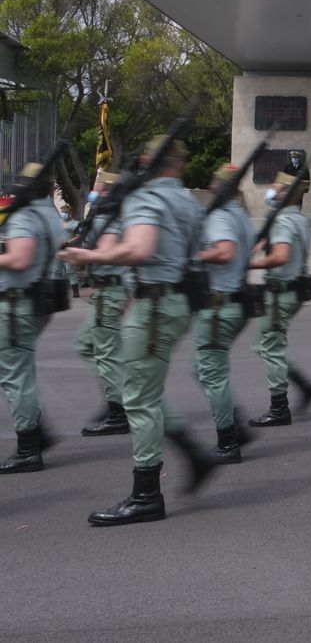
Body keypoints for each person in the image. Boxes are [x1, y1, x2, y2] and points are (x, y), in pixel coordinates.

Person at [62, 140, 218, 524]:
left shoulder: (148, 198)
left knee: (138, 398)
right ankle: (192, 453)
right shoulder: (186, 201)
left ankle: (146, 494)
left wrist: (90, 255)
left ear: (149, 162)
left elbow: (141, 248)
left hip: (155, 306)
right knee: (143, 390)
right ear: (181, 165)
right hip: (174, 302)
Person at [0, 162, 67, 474]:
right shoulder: (49, 213)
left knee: (16, 375)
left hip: (16, 303)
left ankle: (29, 447)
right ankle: (38, 432)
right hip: (34, 300)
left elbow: (19, 258)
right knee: (17, 370)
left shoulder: (26, 215)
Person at [190, 164, 257, 464]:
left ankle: (228, 441)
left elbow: (225, 251)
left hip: (220, 305)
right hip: (236, 301)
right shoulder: (240, 215)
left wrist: (192, 257)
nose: (210, 186)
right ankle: (233, 422)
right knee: (205, 368)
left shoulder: (219, 216)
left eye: (214, 182)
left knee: (211, 372)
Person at [245, 170, 311, 427]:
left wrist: (247, 265)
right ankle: (304, 385)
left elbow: (280, 256)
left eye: (276, 187)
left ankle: (279, 408)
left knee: (271, 348)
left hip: (281, 293)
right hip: (294, 290)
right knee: (264, 345)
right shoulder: (297, 218)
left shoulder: (283, 222)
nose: (271, 191)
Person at [74, 169, 131, 437]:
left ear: (106, 189)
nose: (92, 192)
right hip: (109, 290)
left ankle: (119, 410)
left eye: (96, 187)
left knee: (107, 353)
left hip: (111, 290)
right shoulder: (110, 213)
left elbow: (109, 253)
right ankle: (115, 396)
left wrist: (81, 255)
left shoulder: (109, 214)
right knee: (87, 345)